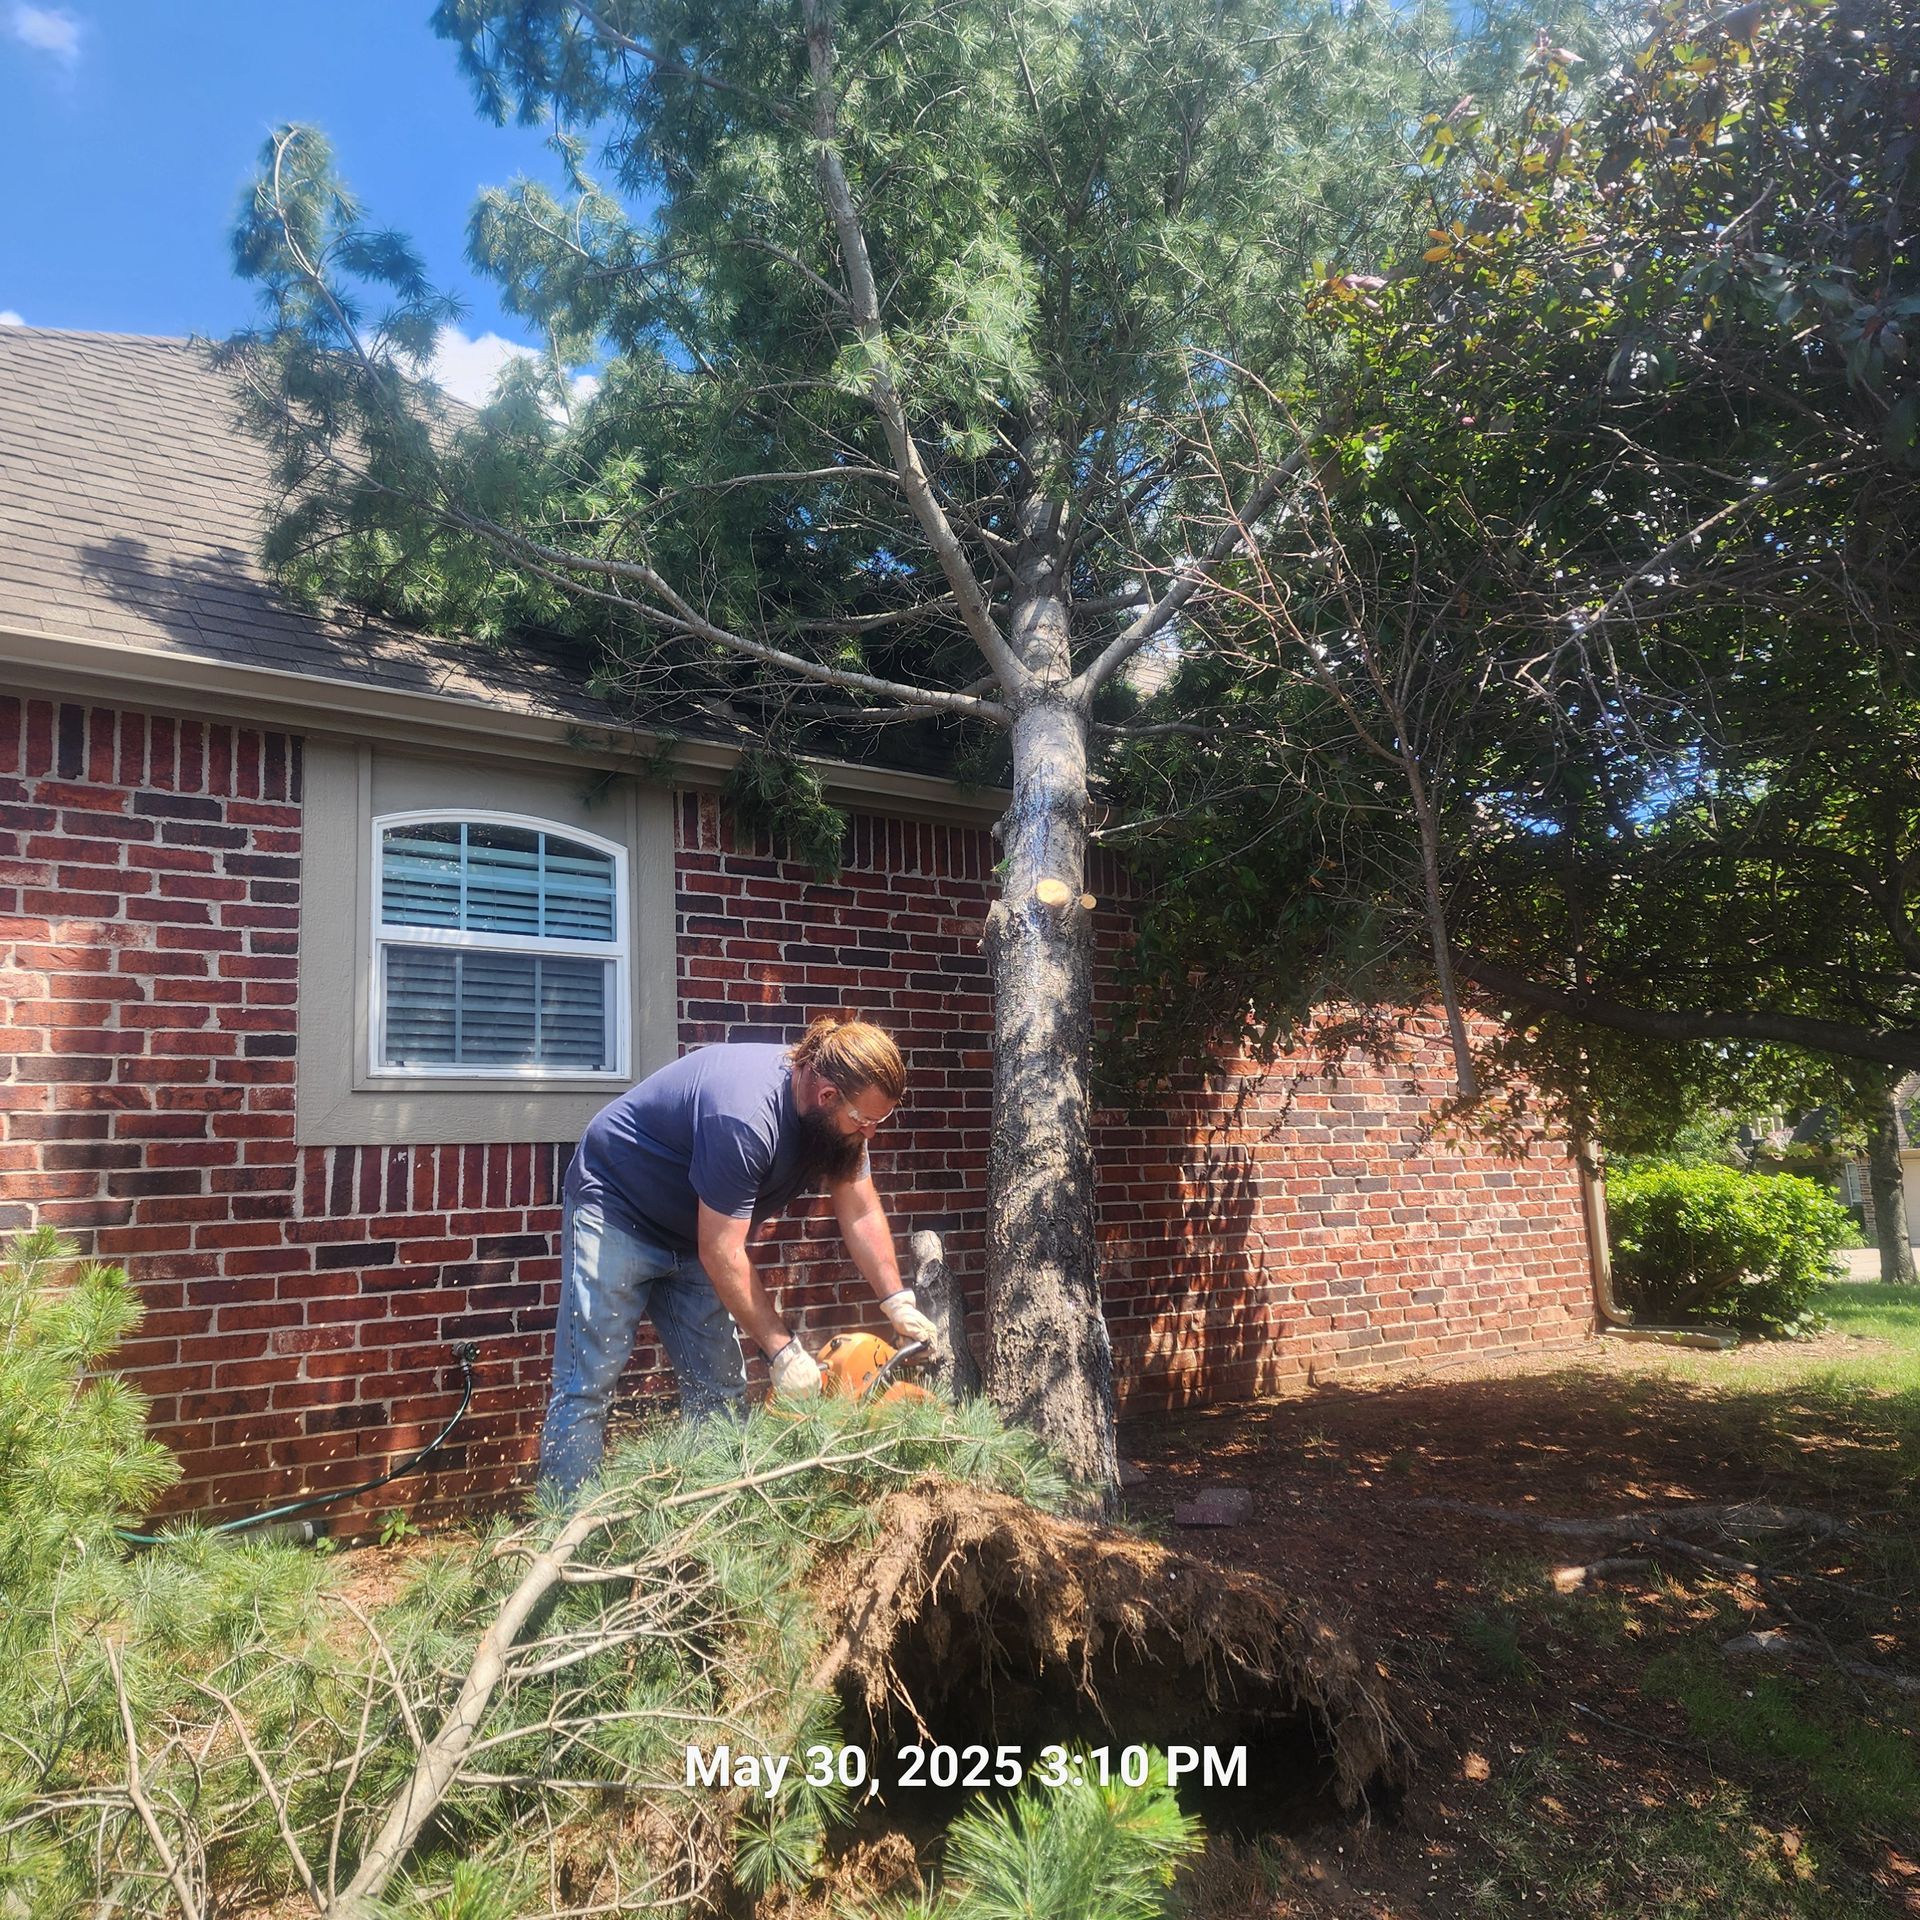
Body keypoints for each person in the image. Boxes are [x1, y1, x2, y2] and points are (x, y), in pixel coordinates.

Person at [537, 1012, 940, 1493]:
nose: (870, 1133)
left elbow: (859, 1210)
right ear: (826, 1095)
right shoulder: (745, 1118)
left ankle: (706, 1529)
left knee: (720, 1390)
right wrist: (783, 1351)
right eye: (865, 1121)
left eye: (879, 1121)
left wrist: (896, 1299)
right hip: (618, 1207)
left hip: (695, 1232)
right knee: (588, 1383)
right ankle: (562, 1539)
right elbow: (723, 1251)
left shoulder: (840, 1125)